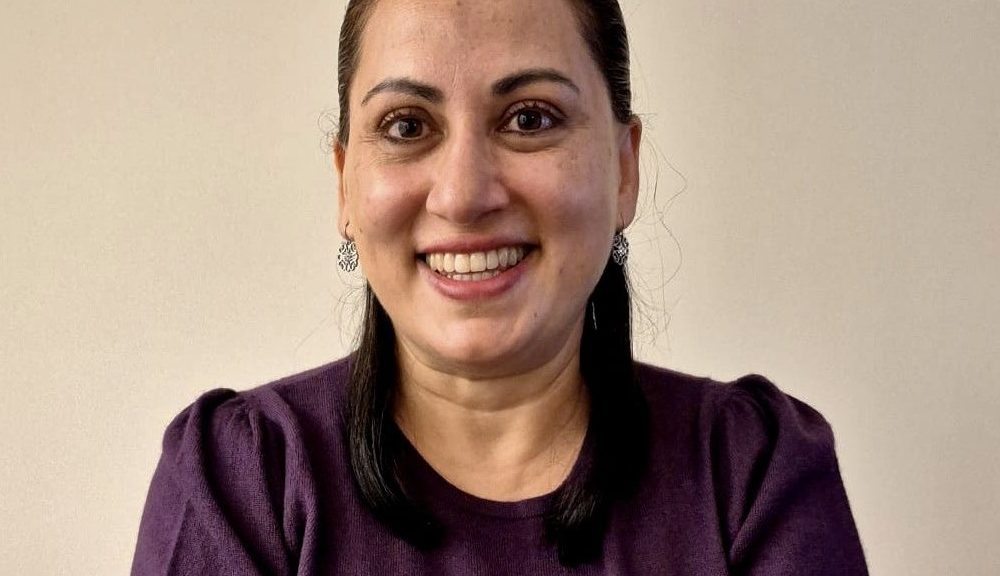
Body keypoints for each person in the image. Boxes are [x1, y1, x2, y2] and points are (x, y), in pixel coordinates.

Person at [131, 0, 869, 574]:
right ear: (346, 188)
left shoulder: (752, 477)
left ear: (623, 169)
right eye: (407, 125)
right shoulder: (241, 482)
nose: (462, 194)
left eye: (529, 118)